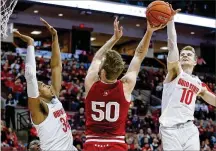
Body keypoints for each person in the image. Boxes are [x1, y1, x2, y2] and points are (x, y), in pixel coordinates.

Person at [84, 17, 166, 151]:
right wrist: (149, 32)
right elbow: (139, 55)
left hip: (93, 143)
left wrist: (114, 38)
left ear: (103, 72)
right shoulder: (126, 85)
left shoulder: (91, 83)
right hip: (116, 144)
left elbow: (97, 57)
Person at [14, 18, 77, 151]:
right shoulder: (39, 110)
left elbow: (56, 67)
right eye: (43, 86)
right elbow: (30, 76)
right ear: (38, 94)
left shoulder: (54, 99)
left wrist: (55, 37)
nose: (48, 86)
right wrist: (30, 43)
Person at [159, 4, 216, 150]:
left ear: (195, 61)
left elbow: (213, 100)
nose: (184, 55)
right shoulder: (175, 72)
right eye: (183, 54)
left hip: (189, 129)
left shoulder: (198, 83)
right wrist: (171, 21)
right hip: (169, 129)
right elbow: (172, 45)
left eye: (188, 54)